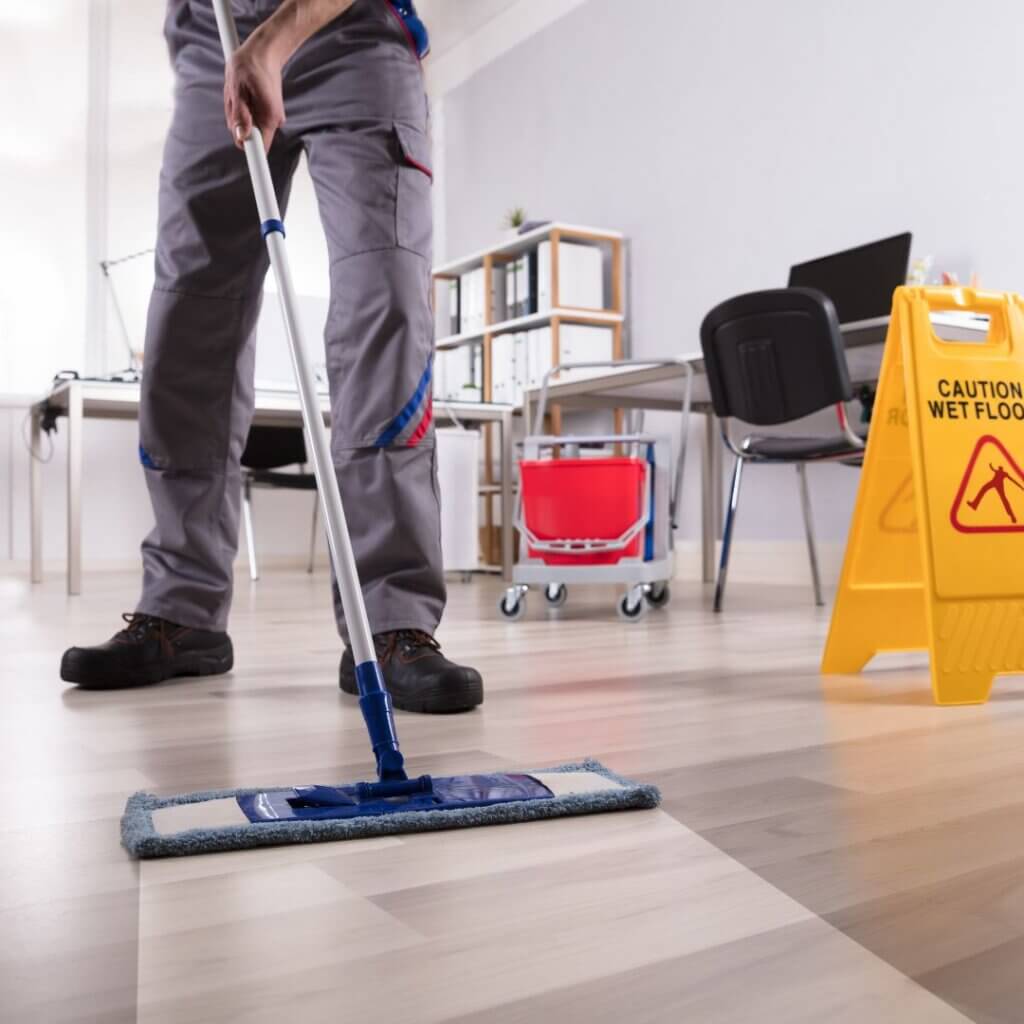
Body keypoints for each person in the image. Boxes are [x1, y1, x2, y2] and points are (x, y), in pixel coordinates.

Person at [60, 0, 484, 714]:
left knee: (385, 306)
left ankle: (390, 621)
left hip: (355, 31)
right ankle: (183, 608)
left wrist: (278, 37)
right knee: (187, 320)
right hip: (216, 36)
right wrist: (240, 43)